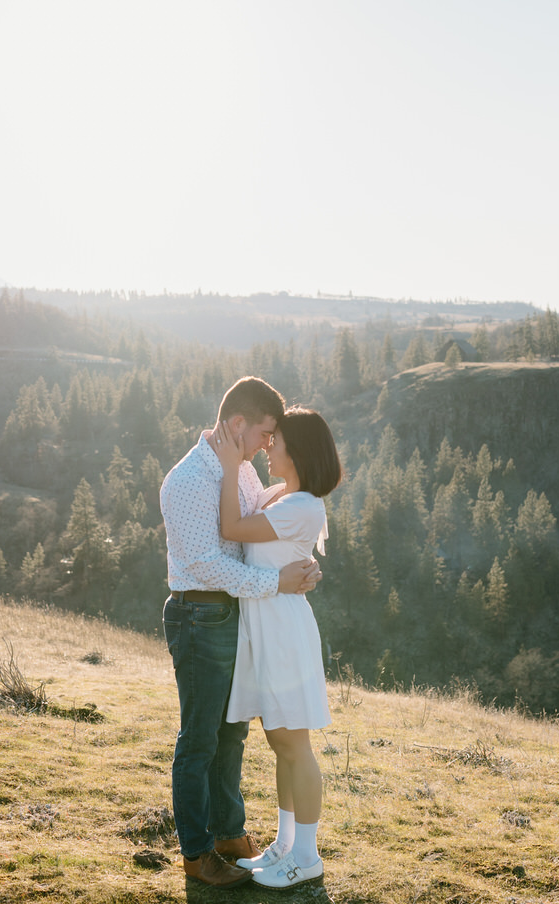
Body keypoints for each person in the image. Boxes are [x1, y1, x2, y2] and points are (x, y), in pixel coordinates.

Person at [159, 377, 322, 889]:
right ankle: (197, 852)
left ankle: (230, 834)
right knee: (199, 739)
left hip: (235, 616)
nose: (267, 445)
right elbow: (207, 564)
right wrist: (277, 582)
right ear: (237, 425)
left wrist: (302, 560)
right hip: (200, 614)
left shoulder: (243, 471)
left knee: (232, 732)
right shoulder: (185, 482)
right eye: (264, 434)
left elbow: (264, 523)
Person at [211, 406, 340, 889]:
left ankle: (306, 855)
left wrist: (227, 467)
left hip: (283, 633)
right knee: (279, 741)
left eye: (277, 440)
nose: (269, 446)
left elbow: (231, 528)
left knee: (293, 743)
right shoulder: (278, 495)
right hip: (265, 629)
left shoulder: (303, 504)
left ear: (298, 450)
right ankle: (285, 845)